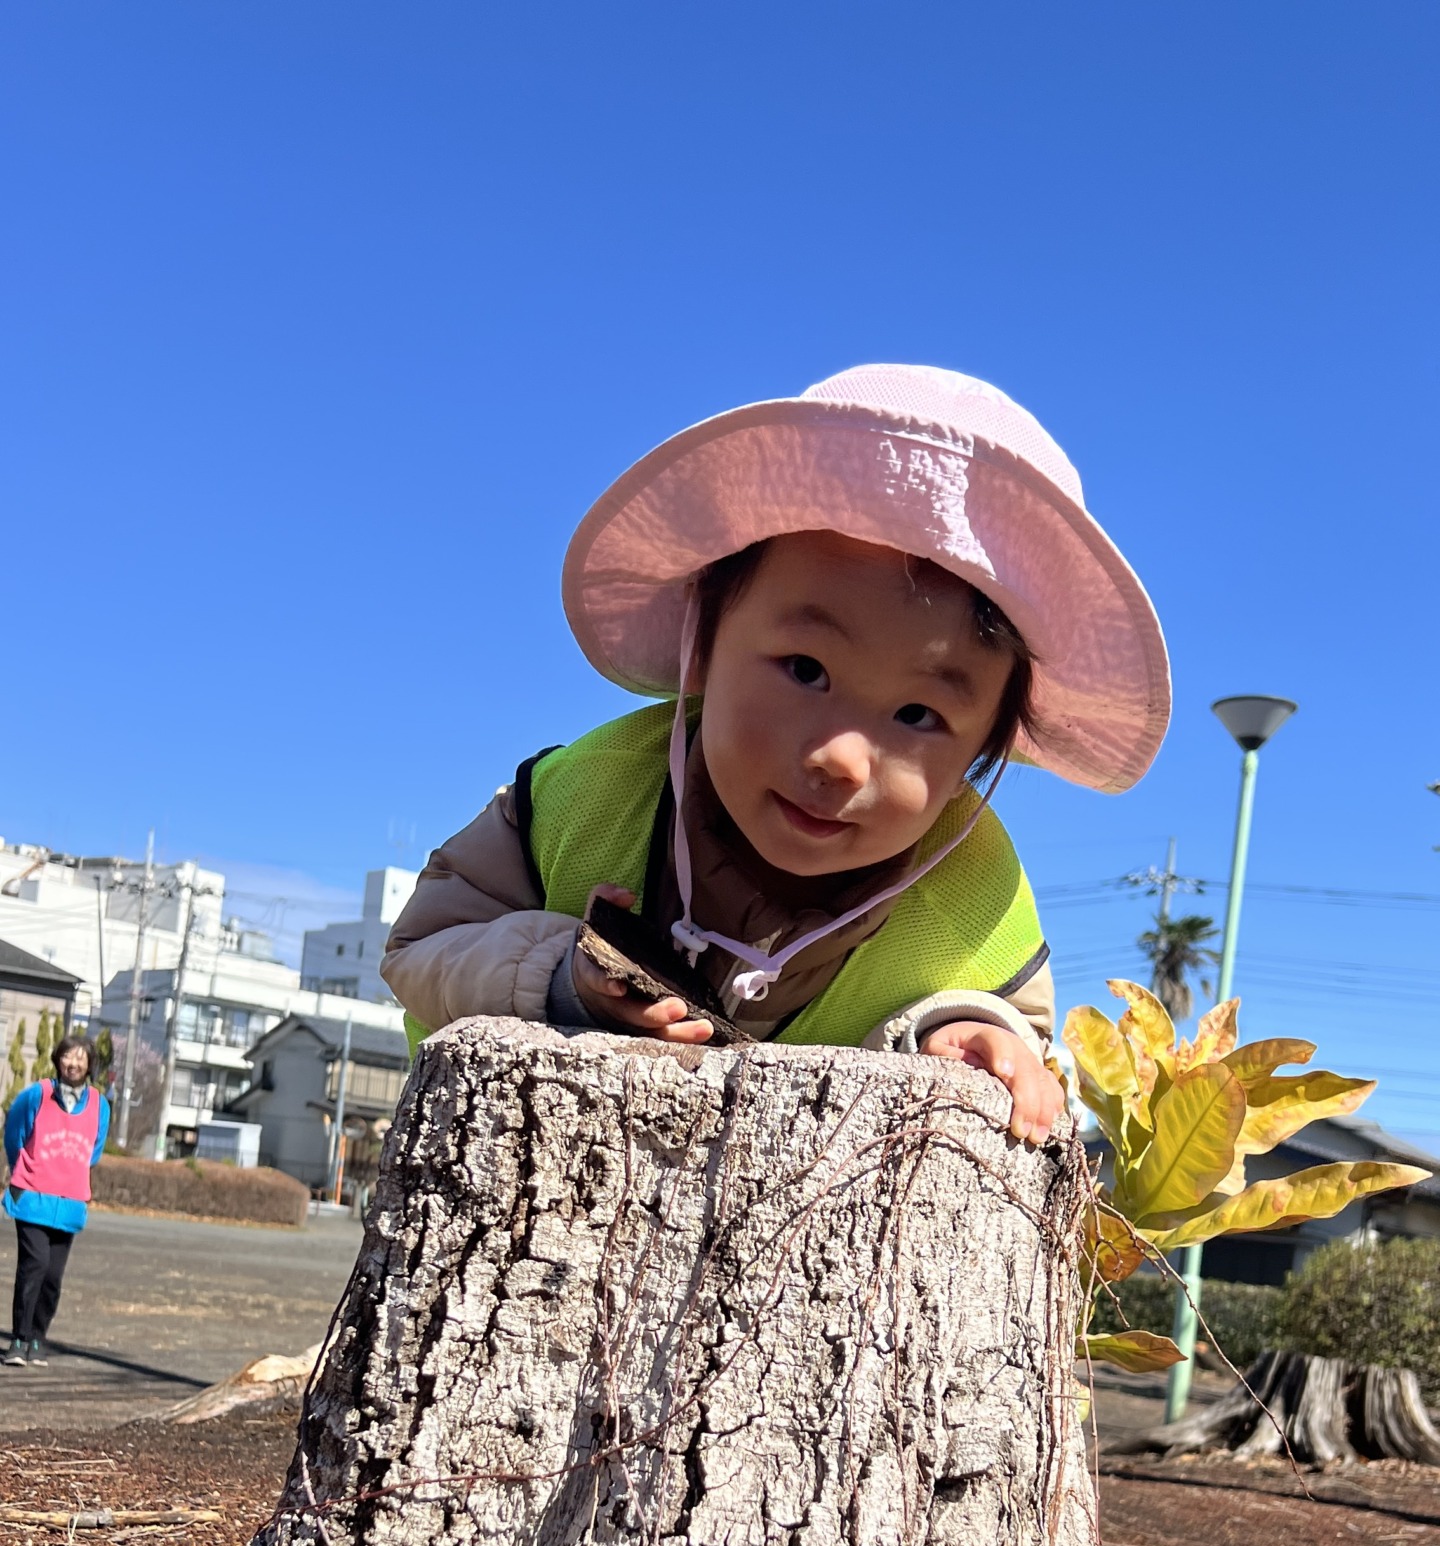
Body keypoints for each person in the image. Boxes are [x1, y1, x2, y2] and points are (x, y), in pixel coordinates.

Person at [382, 365, 1169, 1139]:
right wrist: (560, 978)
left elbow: (1019, 1027)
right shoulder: (584, 798)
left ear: (980, 753)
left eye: (918, 714)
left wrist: (964, 1032)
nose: (843, 760)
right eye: (805, 669)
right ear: (703, 639)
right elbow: (421, 946)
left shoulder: (974, 905)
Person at [3, 1028, 110, 1366]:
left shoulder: (99, 1104)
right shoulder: (38, 1094)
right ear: (57, 1060)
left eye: (80, 1058)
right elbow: (14, 1134)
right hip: (32, 1197)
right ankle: (19, 1339)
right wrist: (24, 1168)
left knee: (52, 1277)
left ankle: (38, 1337)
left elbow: (94, 1150)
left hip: (69, 1201)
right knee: (33, 1265)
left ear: (90, 1065)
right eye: (67, 1056)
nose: (72, 1063)